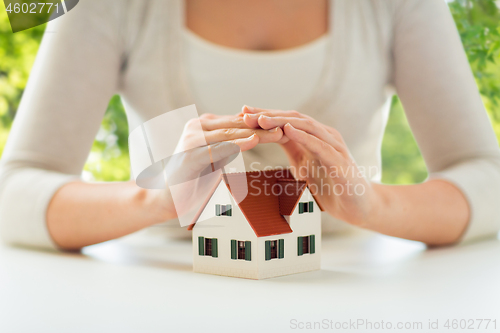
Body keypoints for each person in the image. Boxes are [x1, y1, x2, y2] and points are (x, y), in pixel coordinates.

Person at [1, 0, 499, 251]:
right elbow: (14, 189)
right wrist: (154, 200)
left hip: (351, 292)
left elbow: (486, 176)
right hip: (157, 297)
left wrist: (371, 202)